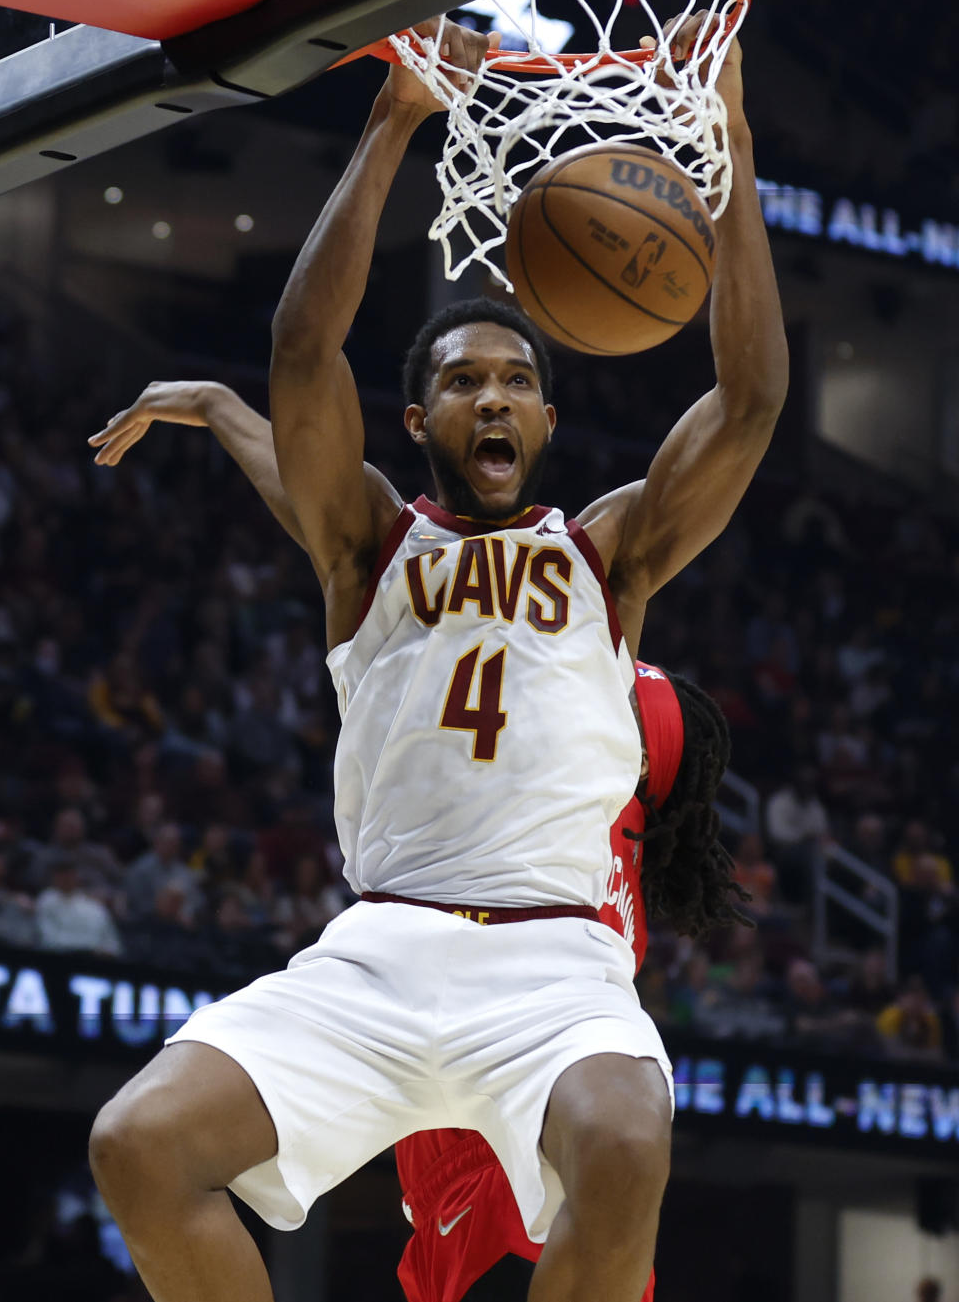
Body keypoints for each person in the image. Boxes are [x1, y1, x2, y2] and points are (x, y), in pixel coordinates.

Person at [87, 11, 787, 1302]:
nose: (495, 397)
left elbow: (746, 403)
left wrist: (731, 136)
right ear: (422, 418)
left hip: (555, 963)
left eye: (518, 379)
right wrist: (397, 118)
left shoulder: (609, 559)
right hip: (378, 952)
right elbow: (302, 356)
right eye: (465, 381)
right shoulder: (363, 545)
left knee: (627, 1144)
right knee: (138, 1142)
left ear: (549, 413)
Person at [88, 378, 747, 1302]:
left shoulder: (629, 694)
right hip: (456, 1018)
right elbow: (321, 510)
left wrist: (223, 412)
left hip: (539, 1032)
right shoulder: (485, 623)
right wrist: (225, 412)